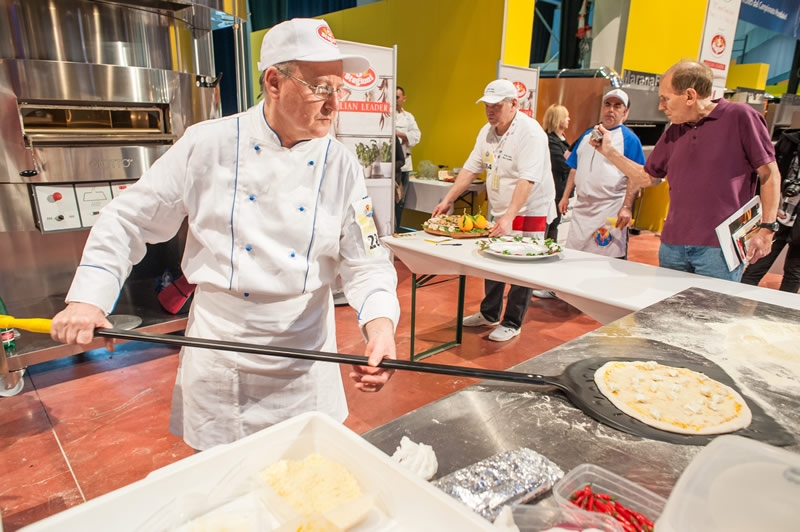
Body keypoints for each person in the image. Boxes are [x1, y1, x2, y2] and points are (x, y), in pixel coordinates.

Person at [49, 18, 401, 451]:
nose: (334, 104)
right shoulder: (208, 144)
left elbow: (366, 260)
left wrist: (380, 330)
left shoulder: (341, 164)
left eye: (339, 89)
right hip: (223, 353)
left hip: (307, 356)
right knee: (225, 487)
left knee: (306, 478)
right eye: (320, 88)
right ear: (274, 81)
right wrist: (88, 298)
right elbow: (129, 219)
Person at [593, 61, 780, 281]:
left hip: (720, 249)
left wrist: (767, 228)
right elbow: (647, 177)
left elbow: (769, 174)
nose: (661, 107)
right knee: (668, 311)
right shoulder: (675, 131)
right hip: (672, 245)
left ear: (690, 96)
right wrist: (609, 152)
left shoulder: (740, 116)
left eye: (665, 99)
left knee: (711, 312)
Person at [432, 79, 556, 342]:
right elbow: (470, 169)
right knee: (492, 259)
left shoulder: (530, 133)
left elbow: (528, 179)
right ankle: (489, 313)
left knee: (523, 264)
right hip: (502, 206)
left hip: (530, 207)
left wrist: (510, 216)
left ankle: (513, 321)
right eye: (487, 106)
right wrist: (447, 200)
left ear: (514, 104)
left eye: (496, 106)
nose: (490, 111)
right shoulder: (486, 132)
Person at [559, 89, 644, 259]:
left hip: (609, 210)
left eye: (617, 106)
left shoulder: (630, 139)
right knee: (573, 258)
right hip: (582, 210)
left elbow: (635, 176)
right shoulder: (587, 135)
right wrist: (565, 196)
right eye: (607, 104)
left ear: (625, 112)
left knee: (604, 262)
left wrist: (627, 207)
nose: (611, 109)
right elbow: (575, 167)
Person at [741, 129, 800, 293]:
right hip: (776, 217)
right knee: (755, 266)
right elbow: (768, 176)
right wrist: (767, 210)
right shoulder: (789, 141)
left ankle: (779, 315)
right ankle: (732, 306)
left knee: (794, 273)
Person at [532, 103, 573, 300]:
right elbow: (565, 166)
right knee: (550, 233)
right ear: (558, 119)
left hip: (562, 193)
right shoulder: (550, 142)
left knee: (555, 232)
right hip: (553, 194)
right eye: (566, 116)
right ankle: (542, 279)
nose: (569, 120)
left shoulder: (562, 141)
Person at [395, 86, 421, 231]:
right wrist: (403, 135)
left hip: (405, 166)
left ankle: (397, 229)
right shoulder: (386, 116)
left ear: (404, 99)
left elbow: (417, 136)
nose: (396, 100)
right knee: (391, 201)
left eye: (398, 97)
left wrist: (401, 135)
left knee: (401, 200)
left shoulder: (409, 117)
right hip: (392, 166)